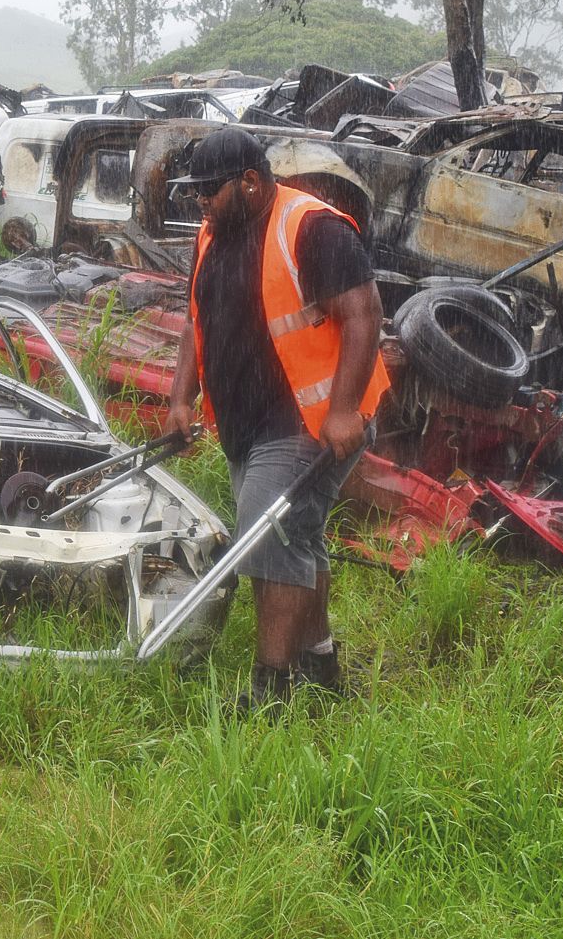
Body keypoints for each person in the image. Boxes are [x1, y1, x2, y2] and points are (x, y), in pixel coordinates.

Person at [162, 127, 388, 709]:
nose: (201, 205)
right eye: (195, 196)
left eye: (209, 192)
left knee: (269, 542)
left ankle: (271, 690)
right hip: (249, 423)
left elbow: (364, 313)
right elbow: (195, 321)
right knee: (295, 540)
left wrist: (342, 413)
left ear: (252, 182)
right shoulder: (212, 236)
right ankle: (320, 667)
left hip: (308, 421)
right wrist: (180, 400)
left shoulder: (311, 227)